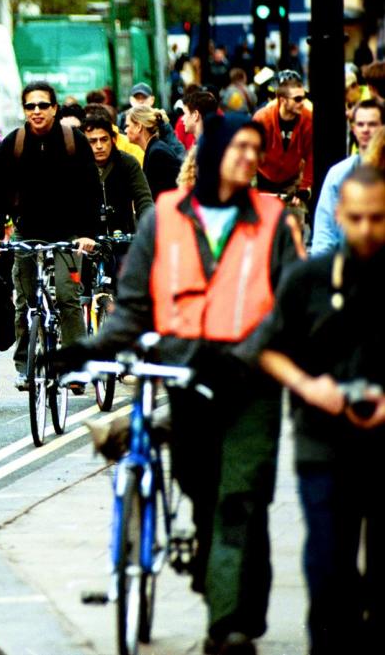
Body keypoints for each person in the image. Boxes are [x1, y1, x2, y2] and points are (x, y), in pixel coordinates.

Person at [65, 113, 304, 655]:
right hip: (186, 379)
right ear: (215, 151)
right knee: (202, 494)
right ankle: (226, 595)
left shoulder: (272, 219)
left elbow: (288, 303)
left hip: (249, 384)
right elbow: (132, 306)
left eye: (254, 149)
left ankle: (229, 628)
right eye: (238, 147)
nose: (249, 158)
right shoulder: (164, 219)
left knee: (238, 499)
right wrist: (89, 349)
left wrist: (243, 356)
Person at [250, 166, 385, 655]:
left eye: (378, 218)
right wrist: (310, 386)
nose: (367, 229)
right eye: (357, 218)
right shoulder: (307, 280)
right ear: (338, 215)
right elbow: (265, 347)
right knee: (329, 564)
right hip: (322, 441)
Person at [0, 81, 101, 390]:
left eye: (43, 105)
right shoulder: (14, 144)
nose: (37, 111)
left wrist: (87, 234)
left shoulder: (73, 141)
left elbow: (90, 189)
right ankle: (26, 366)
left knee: (67, 296)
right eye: (30, 106)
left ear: (54, 108)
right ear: (24, 110)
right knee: (25, 301)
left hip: (69, 235)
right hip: (28, 233)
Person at [311, 101, 384, 255]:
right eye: (360, 124)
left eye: (372, 124)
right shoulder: (338, 173)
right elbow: (325, 233)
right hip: (346, 264)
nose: (365, 130)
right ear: (353, 128)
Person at [82, 112, 154, 235]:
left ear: (113, 140)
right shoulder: (78, 166)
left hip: (124, 238)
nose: (99, 146)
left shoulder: (128, 163)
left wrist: (148, 227)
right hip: (88, 242)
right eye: (92, 141)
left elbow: (143, 199)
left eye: (104, 140)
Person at [253, 70, 314, 203]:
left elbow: (311, 156)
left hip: (291, 179)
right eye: (297, 99)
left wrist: (304, 187)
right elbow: (251, 151)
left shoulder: (308, 119)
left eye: (303, 97)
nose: (302, 102)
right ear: (283, 100)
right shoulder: (262, 118)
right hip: (262, 175)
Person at [125, 105, 183, 199]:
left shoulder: (157, 154)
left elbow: (161, 195)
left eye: (128, 126)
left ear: (139, 127)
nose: (125, 130)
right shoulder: (154, 149)